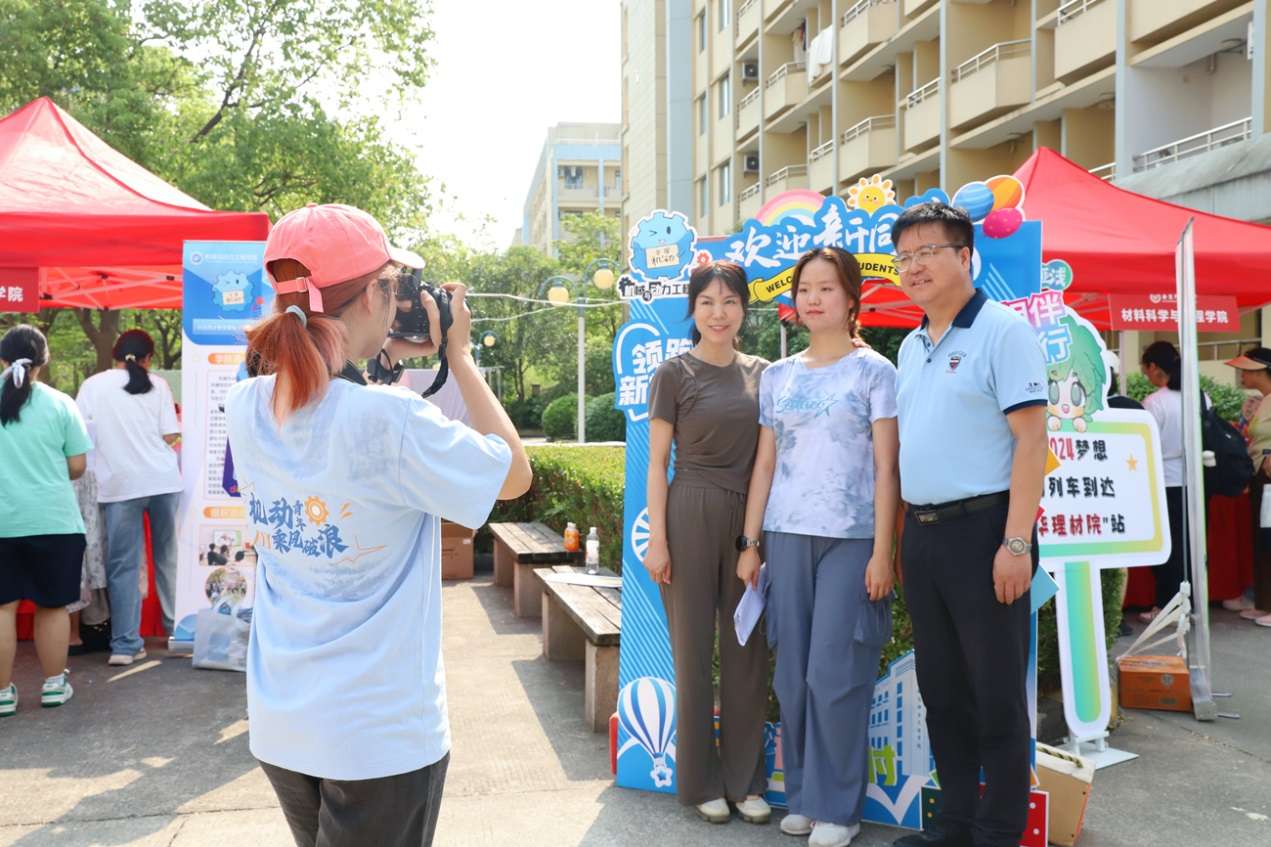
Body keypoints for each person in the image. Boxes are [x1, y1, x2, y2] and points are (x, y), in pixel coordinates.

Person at [224, 203, 532, 847]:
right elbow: (513, 476)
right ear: (372, 296)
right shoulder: (390, 421)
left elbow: (315, 392)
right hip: (378, 736)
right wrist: (459, 354)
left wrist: (372, 357)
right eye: (392, 288)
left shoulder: (246, 404)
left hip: (283, 720)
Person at [890, 202, 1048, 847]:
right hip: (924, 536)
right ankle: (954, 825)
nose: (914, 266)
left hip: (986, 533)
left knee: (995, 693)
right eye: (904, 257)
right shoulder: (910, 345)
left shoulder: (1003, 332)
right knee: (943, 690)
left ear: (964, 256)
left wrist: (1016, 542)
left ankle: (998, 832)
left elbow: (1032, 441)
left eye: (927, 252)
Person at [738, 247, 899, 847]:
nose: (813, 298)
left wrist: (883, 552)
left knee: (835, 673)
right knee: (793, 677)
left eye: (827, 288)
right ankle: (805, 797)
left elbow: (887, 469)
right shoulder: (778, 376)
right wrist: (750, 542)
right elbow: (764, 464)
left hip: (852, 539)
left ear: (852, 299)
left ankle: (839, 809)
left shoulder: (875, 372)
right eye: (805, 288)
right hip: (785, 535)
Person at [645, 261, 771, 826]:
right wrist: (659, 540)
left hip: (747, 519)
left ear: (744, 308)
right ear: (693, 310)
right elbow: (657, 463)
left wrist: (754, 539)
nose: (719, 313)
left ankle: (746, 781)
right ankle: (700, 782)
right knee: (693, 653)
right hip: (689, 512)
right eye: (707, 303)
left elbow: (767, 461)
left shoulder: (764, 374)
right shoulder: (673, 374)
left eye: (730, 302)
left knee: (747, 651)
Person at [0, 325, 92, 714]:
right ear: (44, 360)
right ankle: (54, 685)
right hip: (55, 520)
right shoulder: (61, 403)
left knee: (2, 608)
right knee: (52, 606)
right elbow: (78, 465)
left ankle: (2, 694)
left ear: (3, 359)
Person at [75, 329, 181, 666]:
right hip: (163, 481)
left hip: (119, 486)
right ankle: (177, 632)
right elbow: (170, 434)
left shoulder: (93, 386)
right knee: (168, 558)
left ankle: (125, 645)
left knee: (123, 565)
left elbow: (79, 435)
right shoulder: (158, 385)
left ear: (115, 356)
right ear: (149, 358)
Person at [1139, 341, 1194, 623]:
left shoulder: (1154, 402)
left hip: (1163, 481)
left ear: (1153, 367)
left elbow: (1146, 447)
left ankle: (1165, 605)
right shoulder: (1199, 396)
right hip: (1194, 480)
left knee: (1168, 547)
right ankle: (1191, 603)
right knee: (1191, 545)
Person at [1224, 347, 1271, 626]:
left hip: (1268, 474)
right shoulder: (1262, 401)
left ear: (1260, 370)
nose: (1241, 374)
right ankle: (1264, 602)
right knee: (1263, 538)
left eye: (1245, 369)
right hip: (1259, 474)